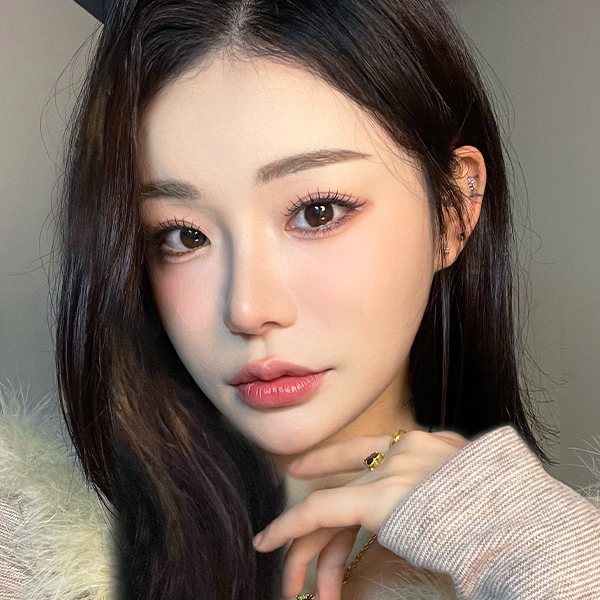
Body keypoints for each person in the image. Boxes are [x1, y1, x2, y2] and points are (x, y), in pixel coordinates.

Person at [2, 0, 596, 599]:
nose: (247, 309)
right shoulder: (26, 552)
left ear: (454, 209)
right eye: (182, 235)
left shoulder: (556, 558)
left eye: (317, 212)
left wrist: (523, 538)